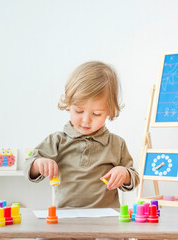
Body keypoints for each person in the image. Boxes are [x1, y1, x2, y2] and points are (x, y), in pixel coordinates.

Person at [24, 61, 140, 209]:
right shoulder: (57, 141)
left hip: (106, 220)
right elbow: (29, 164)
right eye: (79, 111)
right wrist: (38, 164)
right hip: (66, 218)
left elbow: (134, 177)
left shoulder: (117, 144)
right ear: (68, 104)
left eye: (97, 114)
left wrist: (124, 174)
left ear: (110, 111)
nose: (86, 120)